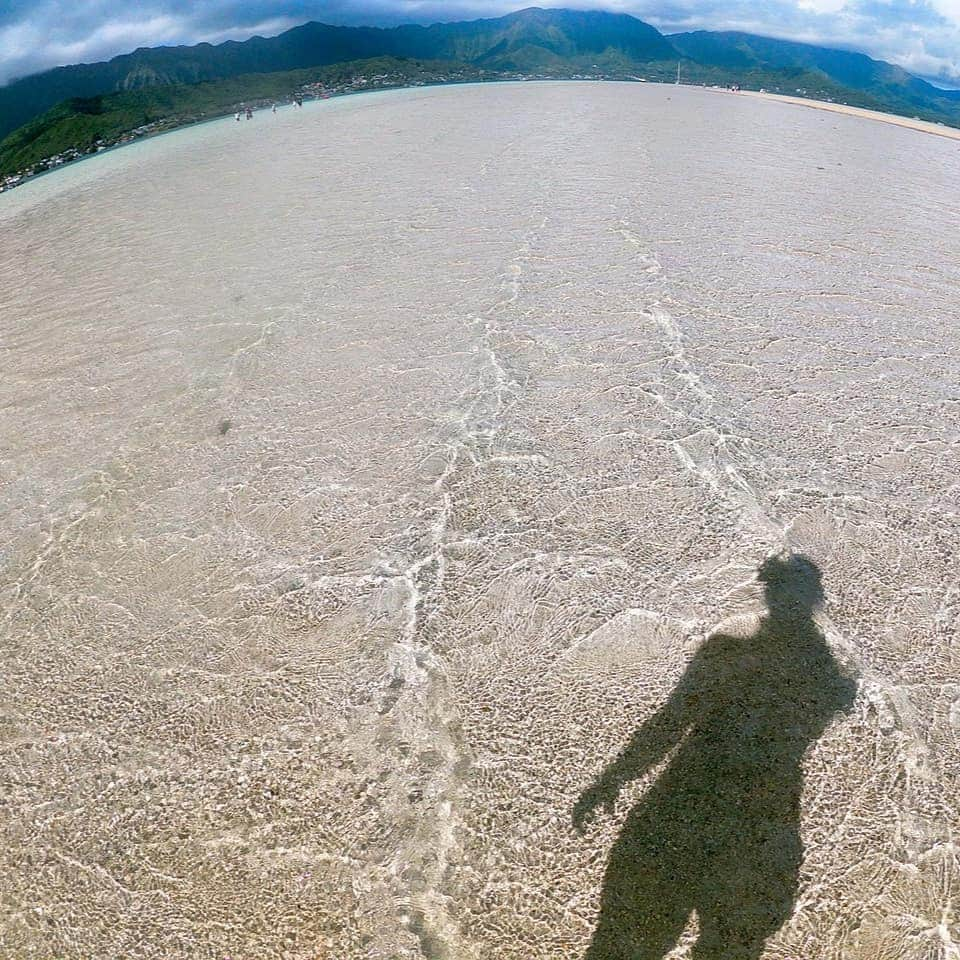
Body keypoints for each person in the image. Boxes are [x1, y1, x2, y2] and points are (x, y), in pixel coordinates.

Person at [573, 554, 857, 960]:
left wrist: (613, 778)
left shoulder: (732, 654)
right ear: (817, 599)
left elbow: (671, 723)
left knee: (625, 945)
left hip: (686, 806)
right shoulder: (833, 682)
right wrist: (612, 778)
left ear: (770, 594)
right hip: (760, 825)